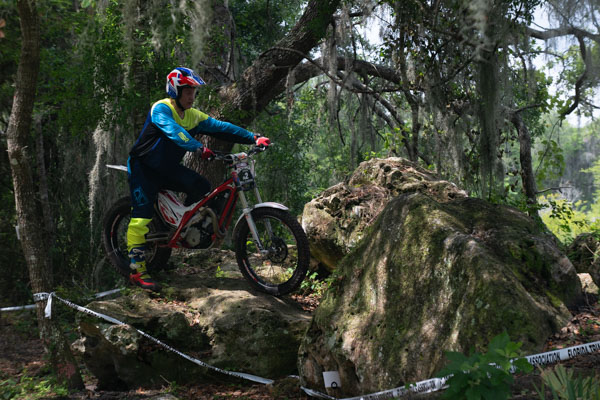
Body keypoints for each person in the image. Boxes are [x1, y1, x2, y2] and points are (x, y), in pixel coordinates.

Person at [126, 66, 270, 291]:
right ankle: (137, 271)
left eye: (194, 91)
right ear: (175, 91)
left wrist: (253, 137)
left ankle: (181, 227)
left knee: (201, 186)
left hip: (168, 169)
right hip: (143, 169)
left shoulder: (193, 116)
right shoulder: (161, 109)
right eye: (187, 91)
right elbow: (174, 132)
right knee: (141, 219)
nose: (192, 96)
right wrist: (197, 147)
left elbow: (221, 127)